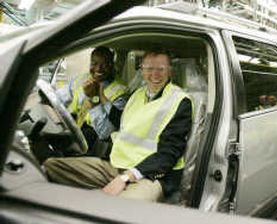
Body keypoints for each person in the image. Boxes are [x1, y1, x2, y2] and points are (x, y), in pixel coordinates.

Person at [44, 47, 193, 202]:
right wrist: (99, 97)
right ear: (141, 70)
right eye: (149, 68)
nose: (154, 74)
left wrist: (128, 176)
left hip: (152, 175)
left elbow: (168, 154)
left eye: (161, 69)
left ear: (170, 71)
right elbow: (119, 121)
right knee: (51, 166)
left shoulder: (179, 101)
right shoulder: (137, 94)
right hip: (117, 165)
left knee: (124, 206)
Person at [56, 46, 128, 158]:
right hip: (74, 130)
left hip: (96, 144)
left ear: (111, 65)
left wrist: (95, 99)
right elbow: (57, 98)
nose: (98, 69)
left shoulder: (121, 91)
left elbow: (105, 133)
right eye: (94, 63)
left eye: (104, 65)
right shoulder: (81, 79)